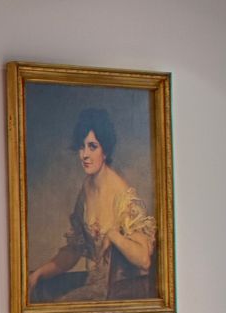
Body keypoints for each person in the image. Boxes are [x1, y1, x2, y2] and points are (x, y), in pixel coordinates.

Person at [27, 108, 156, 302]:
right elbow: (74, 250)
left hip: (121, 293)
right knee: (40, 293)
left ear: (106, 150)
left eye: (92, 146)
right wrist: (40, 273)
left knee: (60, 307)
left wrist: (113, 235)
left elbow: (144, 260)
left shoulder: (123, 196)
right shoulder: (87, 188)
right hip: (95, 284)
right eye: (81, 146)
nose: (84, 155)